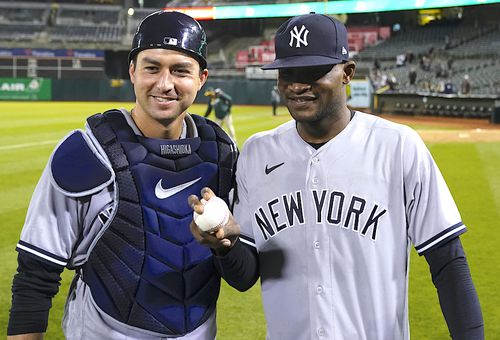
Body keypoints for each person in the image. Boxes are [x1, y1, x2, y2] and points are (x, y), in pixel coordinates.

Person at [189, 13, 484, 340]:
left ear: (347, 73)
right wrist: (224, 247)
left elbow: (448, 264)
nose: (298, 85)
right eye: (287, 73)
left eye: (313, 72)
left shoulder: (398, 146)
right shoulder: (258, 153)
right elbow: (244, 277)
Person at [7, 11, 241, 340]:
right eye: (152, 67)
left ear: (202, 78)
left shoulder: (222, 152)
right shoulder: (86, 152)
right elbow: (36, 273)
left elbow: (243, 273)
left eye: (180, 70)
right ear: (132, 71)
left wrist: (226, 247)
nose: (165, 83)